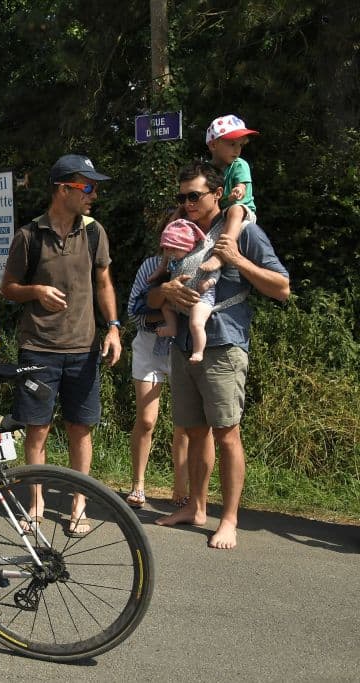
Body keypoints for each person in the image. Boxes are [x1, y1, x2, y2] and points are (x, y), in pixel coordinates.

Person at [150, 160, 290, 549]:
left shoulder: (244, 231)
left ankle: (228, 519)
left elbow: (282, 288)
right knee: (195, 433)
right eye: (182, 197)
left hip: (224, 345)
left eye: (194, 196)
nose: (187, 203)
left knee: (227, 434)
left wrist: (238, 259)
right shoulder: (182, 231)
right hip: (183, 347)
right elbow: (152, 291)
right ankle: (195, 507)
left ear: (217, 193)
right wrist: (168, 294)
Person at [0, 154, 122, 536]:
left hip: (83, 348)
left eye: (94, 187)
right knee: (36, 429)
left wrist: (114, 328)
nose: (93, 194)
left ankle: (78, 506)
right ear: (63, 189)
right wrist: (35, 290)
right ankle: (34, 506)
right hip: (38, 348)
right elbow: (8, 288)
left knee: (80, 428)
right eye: (87, 187)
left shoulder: (94, 232)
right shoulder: (29, 236)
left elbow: (103, 282)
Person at [125, 253, 201, 509]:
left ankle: (181, 489)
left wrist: (173, 314)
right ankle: (138, 484)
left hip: (182, 344)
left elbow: (203, 306)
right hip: (150, 343)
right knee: (146, 420)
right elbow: (133, 313)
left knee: (185, 422)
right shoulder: (149, 264)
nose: (173, 244)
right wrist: (167, 306)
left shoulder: (197, 263)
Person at [197, 115, 259, 274]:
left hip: (243, 211)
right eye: (232, 144)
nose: (237, 149)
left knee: (235, 210)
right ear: (213, 145)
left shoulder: (239, 164)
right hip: (220, 214)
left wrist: (239, 190)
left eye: (240, 145)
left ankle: (220, 255)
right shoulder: (206, 170)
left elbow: (242, 185)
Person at [154, 219, 216, 363]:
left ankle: (198, 351)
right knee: (166, 307)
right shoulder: (175, 261)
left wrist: (208, 282)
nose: (169, 253)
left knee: (196, 323)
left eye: (173, 249)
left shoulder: (201, 257)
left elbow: (215, 272)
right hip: (181, 299)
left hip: (201, 298)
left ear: (186, 246)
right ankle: (172, 327)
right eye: (167, 249)